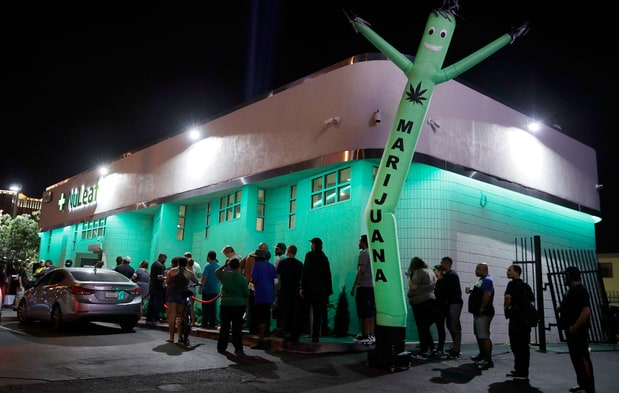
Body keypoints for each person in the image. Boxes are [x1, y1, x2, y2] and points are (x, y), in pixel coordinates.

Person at [559, 266, 596, 393]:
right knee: (576, 359)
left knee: (583, 358)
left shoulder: (580, 290)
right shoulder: (571, 291)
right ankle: (582, 385)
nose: (564, 278)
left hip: (578, 331)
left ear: (570, 276)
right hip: (571, 331)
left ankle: (589, 388)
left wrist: (575, 327)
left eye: (566, 275)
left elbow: (586, 311)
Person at [504, 264, 534, 381]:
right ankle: (523, 370)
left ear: (516, 272)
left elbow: (507, 298)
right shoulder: (526, 286)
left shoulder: (511, 284)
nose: (507, 272)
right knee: (524, 346)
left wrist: (506, 308)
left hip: (515, 319)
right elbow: (531, 299)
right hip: (525, 321)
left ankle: (520, 371)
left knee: (516, 345)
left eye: (509, 270)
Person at [300, 237, 333, 343]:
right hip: (321, 291)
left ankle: (306, 331)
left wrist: (302, 287)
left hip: (310, 290)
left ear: (314, 245)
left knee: (306, 311)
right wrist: (328, 291)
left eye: (311, 243)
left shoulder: (309, 255)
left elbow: (305, 272)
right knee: (318, 314)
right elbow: (328, 275)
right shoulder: (324, 257)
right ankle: (316, 335)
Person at [215, 258, 249, 356]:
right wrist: (246, 308)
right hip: (238, 305)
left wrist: (225, 265)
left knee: (224, 327)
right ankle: (238, 349)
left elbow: (216, 272)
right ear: (239, 266)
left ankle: (221, 347)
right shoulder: (241, 278)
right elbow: (246, 295)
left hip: (225, 304)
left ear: (230, 266)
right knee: (237, 327)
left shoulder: (225, 275)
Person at [407, 256, 436, 359]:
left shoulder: (419, 272)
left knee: (422, 327)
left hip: (420, 302)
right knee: (425, 327)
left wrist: (410, 277)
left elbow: (413, 286)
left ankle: (424, 351)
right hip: (430, 301)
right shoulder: (430, 271)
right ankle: (431, 348)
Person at [468, 263, 495, 369]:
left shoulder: (488, 280)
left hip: (484, 312)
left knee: (484, 336)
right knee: (479, 334)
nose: (476, 270)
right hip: (478, 312)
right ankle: (482, 355)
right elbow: (481, 291)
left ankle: (488, 360)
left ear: (484, 270)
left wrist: (481, 307)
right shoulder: (482, 279)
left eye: (478, 269)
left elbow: (488, 294)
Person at [164, 256, 198, 343]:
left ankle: (171, 337)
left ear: (178, 263)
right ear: (186, 263)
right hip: (182, 294)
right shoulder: (189, 272)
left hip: (171, 294)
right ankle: (180, 336)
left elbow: (167, 282)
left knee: (172, 315)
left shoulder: (171, 271)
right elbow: (196, 282)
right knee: (180, 316)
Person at [249, 249, 277, 350]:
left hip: (260, 295)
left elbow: (254, 280)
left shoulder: (256, 266)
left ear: (257, 258)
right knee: (266, 317)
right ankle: (266, 338)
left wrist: (252, 282)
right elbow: (275, 280)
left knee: (260, 319)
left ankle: (261, 340)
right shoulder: (271, 266)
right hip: (270, 295)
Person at [351, 234, 376, 345]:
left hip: (364, 286)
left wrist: (354, 286)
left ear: (363, 242)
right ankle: (370, 335)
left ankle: (366, 335)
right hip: (371, 286)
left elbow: (361, 271)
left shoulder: (364, 254)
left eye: (359, 241)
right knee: (370, 311)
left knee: (364, 312)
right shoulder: (372, 253)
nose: (358, 243)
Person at [276, 244, 303, 342]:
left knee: (284, 312)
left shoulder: (283, 263)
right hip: (295, 291)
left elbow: (278, 278)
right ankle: (294, 333)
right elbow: (301, 279)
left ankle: (283, 331)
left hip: (285, 291)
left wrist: (276, 289)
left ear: (288, 251)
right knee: (294, 312)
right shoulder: (299, 264)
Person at [240, 242, 269, 334]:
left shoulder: (249, 255)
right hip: (255, 286)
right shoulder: (263, 261)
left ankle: (246, 325)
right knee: (255, 308)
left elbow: (240, 265)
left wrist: (243, 277)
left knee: (247, 306)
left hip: (247, 283)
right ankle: (255, 329)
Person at [440, 256, 463, 359]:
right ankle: (455, 347)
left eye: (443, 263)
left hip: (454, 303)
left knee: (454, 326)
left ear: (448, 264)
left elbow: (446, 290)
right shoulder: (450, 275)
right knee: (451, 325)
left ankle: (457, 350)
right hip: (452, 303)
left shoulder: (451, 276)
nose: (441, 264)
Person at [200, 250, 221, 328]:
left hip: (207, 289)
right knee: (213, 307)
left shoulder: (207, 265)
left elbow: (204, 277)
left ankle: (204, 323)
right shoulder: (218, 266)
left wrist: (200, 287)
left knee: (205, 307)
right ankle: (212, 323)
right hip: (215, 289)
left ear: (208, 257)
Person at [146, 253, 167, 324]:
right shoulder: (160, 265)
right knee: (157, 303)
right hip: (158, 287)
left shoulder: (154, 264)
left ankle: (149, 318)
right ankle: (156, 318)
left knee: (151, 302)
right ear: (162, 257)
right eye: (165, 258)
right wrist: (166, 278)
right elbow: (159, 277)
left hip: (152, 286)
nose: (165, 260)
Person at [433, 264, 448, 356]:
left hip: (440, 308)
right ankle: (439, 347)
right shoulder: (440, 281)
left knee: (440, 328)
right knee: (440, 328)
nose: (434, 272)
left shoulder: (441, 282)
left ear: (440, 271)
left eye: (435, 270)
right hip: (440, 307)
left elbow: (440, 296)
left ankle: (440, 348)